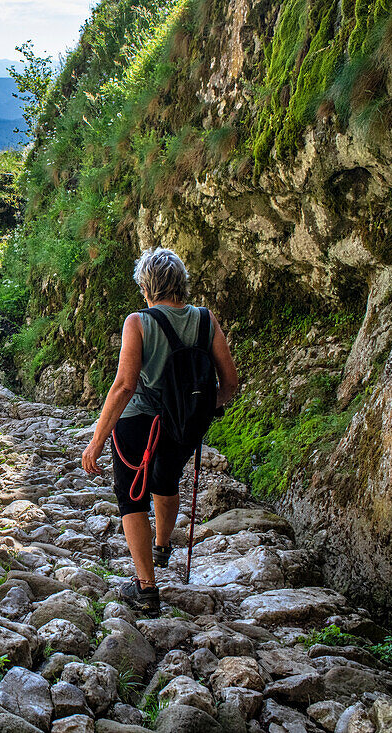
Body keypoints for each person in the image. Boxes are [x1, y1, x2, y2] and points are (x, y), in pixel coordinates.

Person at [81, 248, 238, 613]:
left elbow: (124, 386)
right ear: (181, 283)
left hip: (139, 422)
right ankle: (163, 547)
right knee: (166, 480)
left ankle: (146, 589)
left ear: (147, 287)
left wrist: (96, 442)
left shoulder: (138, 322)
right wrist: (196, 411)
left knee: (130, 497)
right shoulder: (205, 320)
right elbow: (229, 383)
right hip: (182, 425)